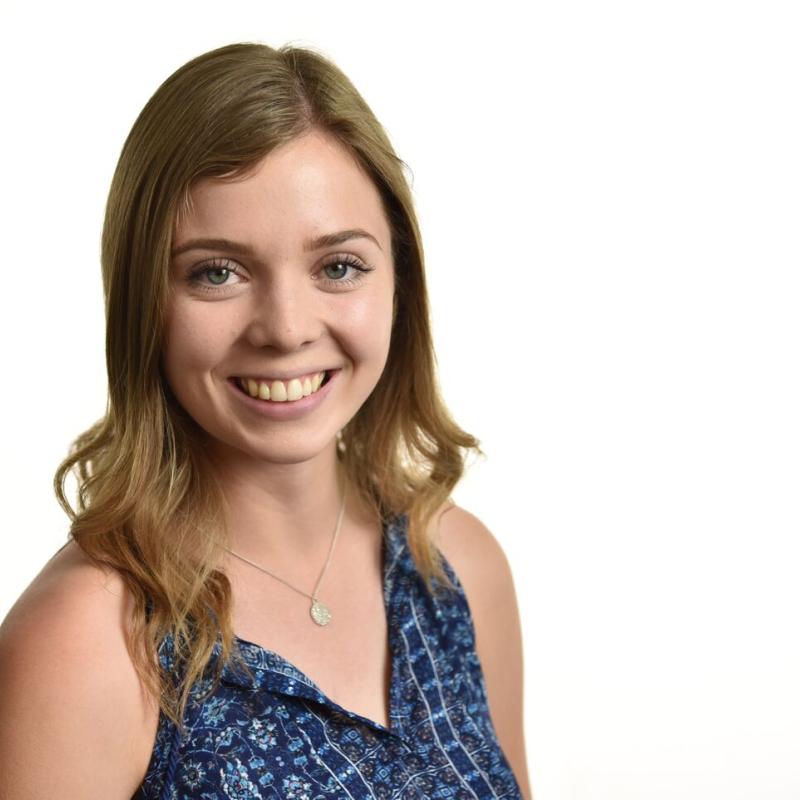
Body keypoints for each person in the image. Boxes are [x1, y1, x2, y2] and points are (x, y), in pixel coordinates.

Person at [0, 42, 532, 799]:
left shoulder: (458, 568)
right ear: (142, 300)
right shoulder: (84, 642)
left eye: (338, 266)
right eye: (217, 272)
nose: (285, 328)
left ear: (400, 280)